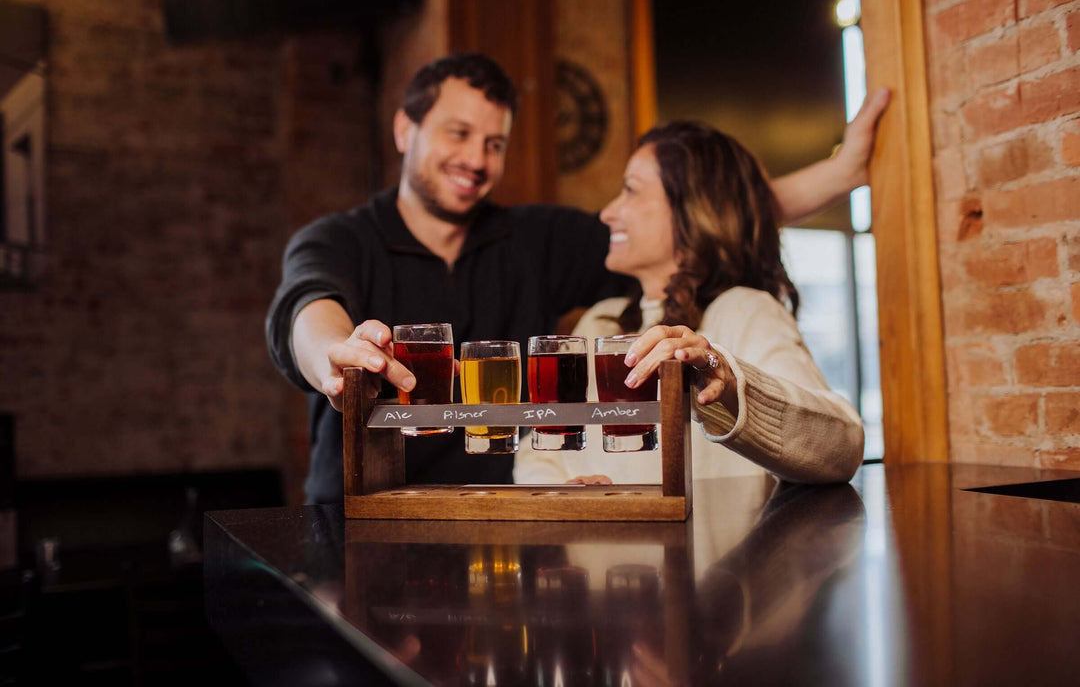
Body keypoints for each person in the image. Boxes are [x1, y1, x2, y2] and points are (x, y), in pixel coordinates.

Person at [266, 53, 888, 503]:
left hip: (503, 532)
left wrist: (838, 179)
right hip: (364, 521)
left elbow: (701, 216)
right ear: (406, 129)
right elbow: (307, 305)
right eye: (459, 134)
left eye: (496, 143)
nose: (477, 160)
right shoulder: (338, 238)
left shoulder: (538, 240)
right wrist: (332, 357)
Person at [514, 123, 864, 486]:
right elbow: (540, 453)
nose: (607, 213)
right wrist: (555, 494)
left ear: (692, 210)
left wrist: (728, 384)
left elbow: (840, 446)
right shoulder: (600, 322)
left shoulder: (743, 311)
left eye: (630, 191)